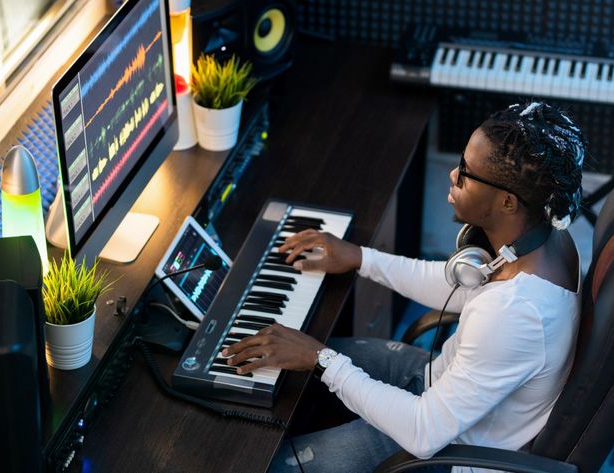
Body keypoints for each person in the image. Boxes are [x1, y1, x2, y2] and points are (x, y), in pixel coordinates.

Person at [223, 102, 586, 473]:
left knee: (269, 464)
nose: (453, 174)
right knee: (288, 364)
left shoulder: (515, 313)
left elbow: (423, 433)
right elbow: (464, 284)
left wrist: (321, 360)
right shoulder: (547, 238)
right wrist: (362, 258)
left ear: (508, 202)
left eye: (467, 174)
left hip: (445, 448)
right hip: (442, 389)